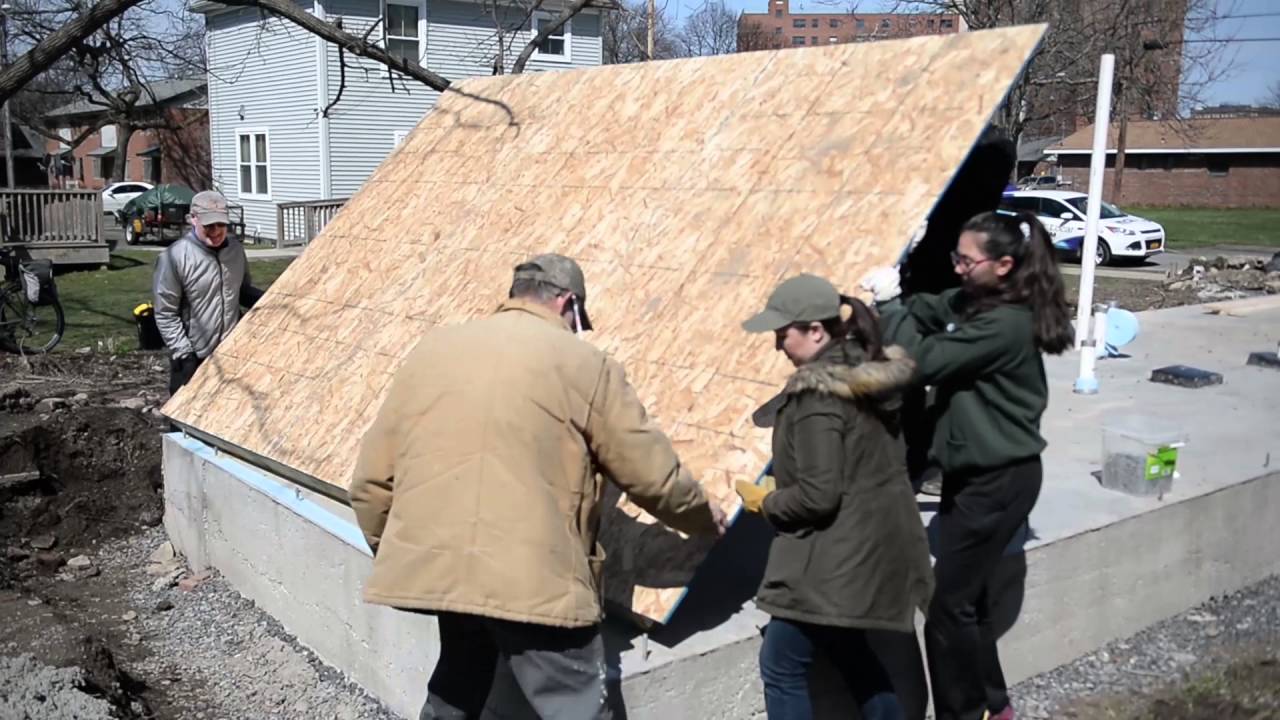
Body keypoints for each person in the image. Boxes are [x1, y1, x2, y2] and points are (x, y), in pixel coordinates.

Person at [348, 253, 727, 720]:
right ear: (568, 302)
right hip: (534, 578)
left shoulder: (432, 351)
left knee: (456, 691)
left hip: (444, 569)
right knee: (578, 709)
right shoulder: (583, 363)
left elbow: (370, 482)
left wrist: (401, 551)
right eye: (578, 318)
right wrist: (704, 517)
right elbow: (651, 473)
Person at [861, 211, 1075, 720]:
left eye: (965, 259)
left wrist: (890, 305)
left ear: (1003, 265)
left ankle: (964, 713)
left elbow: (920, 361)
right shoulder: (980, 301)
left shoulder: (1005, 323)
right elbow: (932, 308)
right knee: (968, 601)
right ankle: (994, 707)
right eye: (954, 256)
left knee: (946, 610)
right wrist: (898, 273)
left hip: (998, 480)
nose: (956, 268)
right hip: (977, 475)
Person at [734, 273, 935, 720]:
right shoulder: (863, 373)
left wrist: (766, 502)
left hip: (835, 558)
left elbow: (818, 495)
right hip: (874, 547)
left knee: (781, 662)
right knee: (852, 654)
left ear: (816, 331)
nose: (777, 345)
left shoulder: (817, 397)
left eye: (782, 334)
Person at [152, 190, 263, 395]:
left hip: (230, 353)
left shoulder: (235, 250)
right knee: (184, 419)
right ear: (193, 219)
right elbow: (165, 313)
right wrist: (184, 353)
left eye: (221, 224)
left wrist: (267, 300)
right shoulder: (174, 257)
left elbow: (242, 290)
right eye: (208, 225)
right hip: (193, 356)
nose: (216, 231)